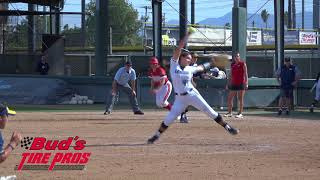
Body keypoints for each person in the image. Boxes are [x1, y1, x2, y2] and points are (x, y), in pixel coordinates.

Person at [147, 32, 239, 144]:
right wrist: (187, 35)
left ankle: (228, 128)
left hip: (192, 95)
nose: (190, 60)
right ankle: (156, 136)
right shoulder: (174, 65)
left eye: (190, 59)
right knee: (169, 119)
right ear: (181, 58)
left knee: (210, 112)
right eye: (188, 58)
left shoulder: (190, 69)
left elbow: (201, 67)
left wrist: (211, 63)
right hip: (180, 99)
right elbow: (179, 47)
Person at [224, 52, 248, 118]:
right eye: (235, 57)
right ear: (234, 58)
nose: (236, 58)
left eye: (238, 56)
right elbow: (230, 74)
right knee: (229, 98)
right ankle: (229, 113)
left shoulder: (243, 64)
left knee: (240, 99)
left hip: (241, 83)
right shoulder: (232, 65)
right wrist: (228, 83)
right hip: (234, 83)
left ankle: (240, 113)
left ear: (239, 57)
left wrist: (246, 83)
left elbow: (246, 74)